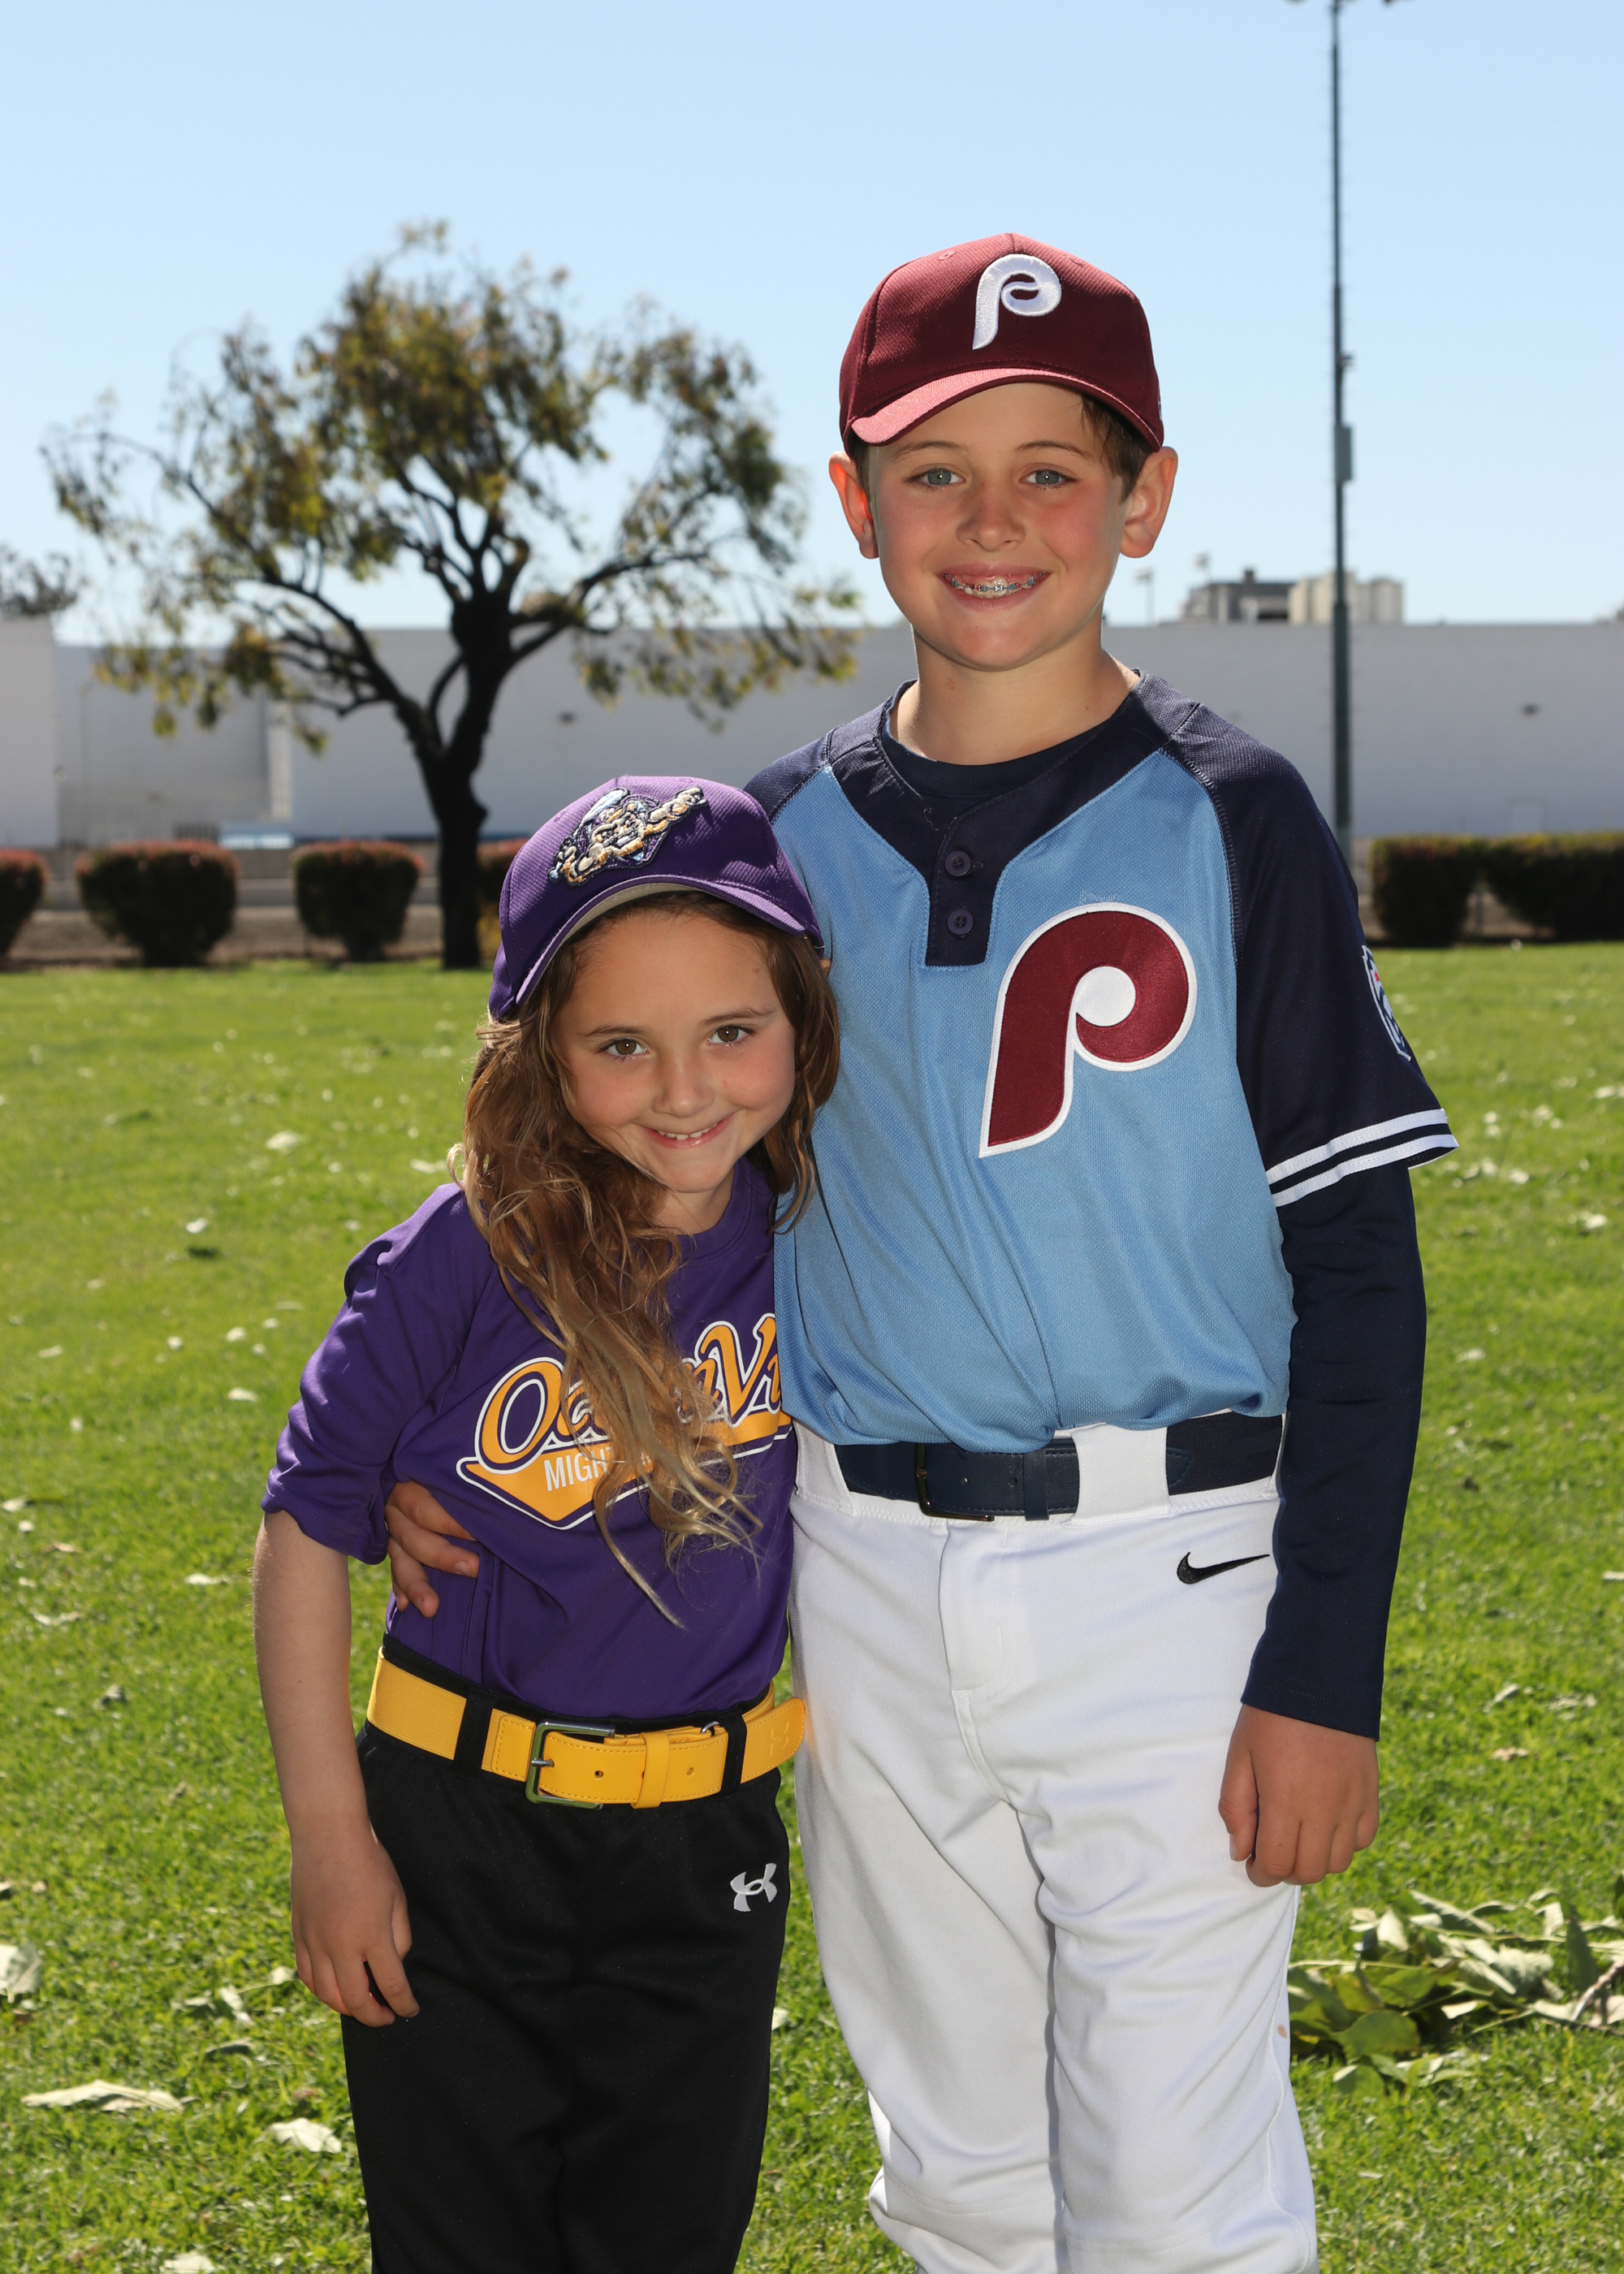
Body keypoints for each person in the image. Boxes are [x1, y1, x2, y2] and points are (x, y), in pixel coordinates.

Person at [386, 236, 1457, 2272]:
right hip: (861, 1561)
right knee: (956, 2165)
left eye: (1052, 470)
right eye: (934, 469)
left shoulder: (1233, 815)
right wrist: (425, 1455)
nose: (992, 520)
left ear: (1143, 499)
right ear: (851, 497)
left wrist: (1323, 1670)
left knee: (1171, 2183)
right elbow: (631, 1194)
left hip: (1173, 1564)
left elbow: (1362, 1272)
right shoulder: (769, 843)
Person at [253, 776, 838, 2274]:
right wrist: (330, 1837)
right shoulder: (463, 1252)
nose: (686, 1091)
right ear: (543, 1055)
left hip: (705, 1840)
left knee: (669, 2236)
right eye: (621, 1046)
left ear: (801, 1023)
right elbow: (306, 1521)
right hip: (459, 1830)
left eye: (733, 1031)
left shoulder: (824, 1235)